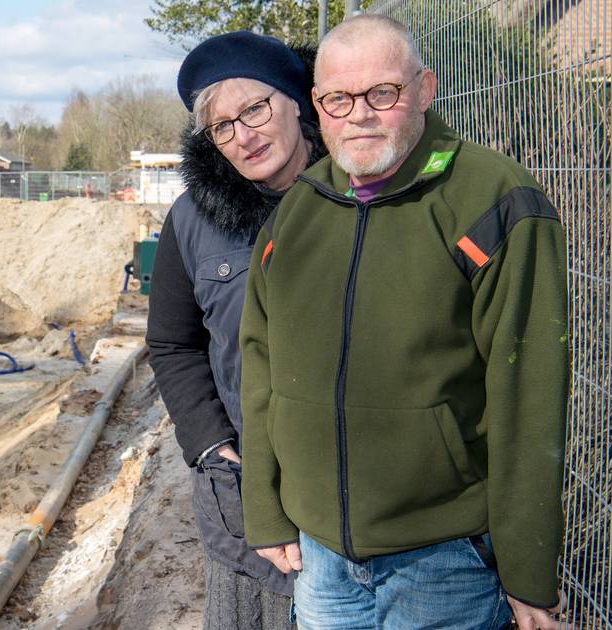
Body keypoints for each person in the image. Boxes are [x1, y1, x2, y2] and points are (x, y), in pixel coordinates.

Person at [239, 14, 569, 630]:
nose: (358, 114)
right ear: (318, 104)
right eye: (338, 98)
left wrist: (529, 569)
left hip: (443, 562)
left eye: (382, 93)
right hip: (319, 559)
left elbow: (530, 398)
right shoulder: (296, 214)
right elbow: (259, 369)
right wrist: (265, 508)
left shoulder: (496, 203)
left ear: (425, 90)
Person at [146, 31, 327, 629]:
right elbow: (172, 343)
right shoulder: (192, 219)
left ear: (297, 101)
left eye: (255, 109)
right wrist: (210, 444)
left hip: (352, 489)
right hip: (243, 489)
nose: (243, 136)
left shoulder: (360, 195)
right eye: (222, 126)